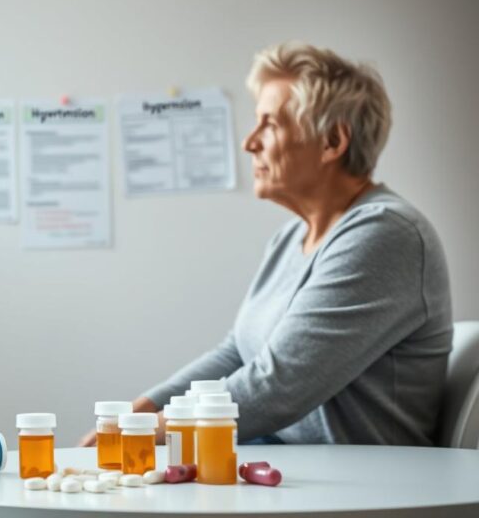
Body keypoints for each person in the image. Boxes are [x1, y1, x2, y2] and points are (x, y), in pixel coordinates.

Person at [82, 42, 452, 447]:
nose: (249, 143)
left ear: (332, 141)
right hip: (282, 462)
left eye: (270, 124)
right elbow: (237, 353)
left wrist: (142, 433)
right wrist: (140, 410)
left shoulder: (385, 234)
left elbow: (279, 385)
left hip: (361, 479)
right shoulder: (290, 238)